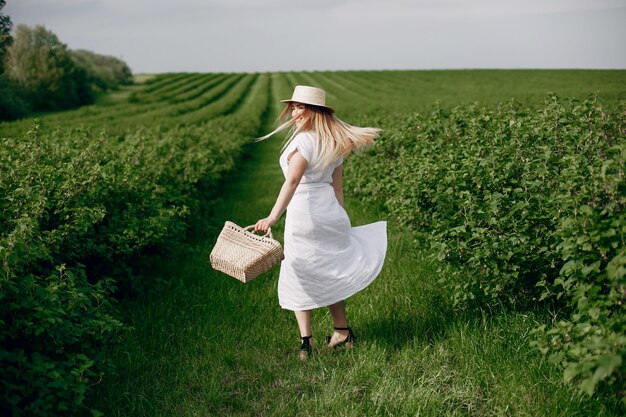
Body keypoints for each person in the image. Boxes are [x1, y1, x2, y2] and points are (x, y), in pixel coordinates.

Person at [253, 85, 387, 360]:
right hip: (329, 212)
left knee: (299, 271)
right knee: (328, 270)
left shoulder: (303, 143)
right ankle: (342, 331)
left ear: (315, 111)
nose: (295, 111)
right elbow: (337, 189)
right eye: (294, 106)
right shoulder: (334, 143)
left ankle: (306, 342)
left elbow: (292, 182)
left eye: (302, 107)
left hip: (305, 213)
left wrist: (273, 216)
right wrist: (340, 218)